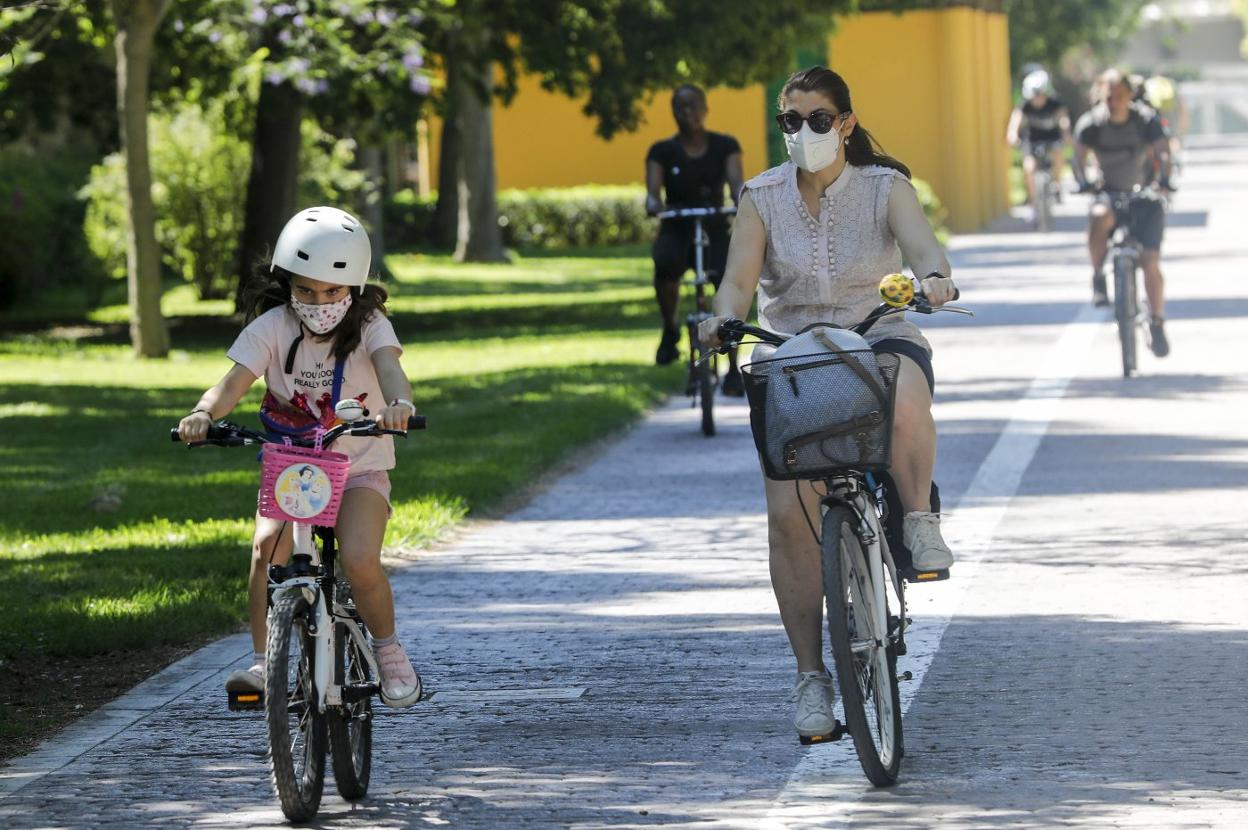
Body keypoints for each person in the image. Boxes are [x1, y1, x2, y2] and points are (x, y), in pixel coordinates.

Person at [697, 67, 959, 740]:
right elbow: (737, 282)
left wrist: (932, 280)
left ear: (845, 123)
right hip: (793, 355)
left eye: (819, 119)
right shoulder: (760, 197)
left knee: (903, 389)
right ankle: (812, 680)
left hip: (877, 336)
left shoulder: (884, 187)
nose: (805, 132)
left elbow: (924, 247)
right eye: (791, 121)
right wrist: (719, 318)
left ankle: (919, 519)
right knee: (788, 515)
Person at [177, 206, 423, 709]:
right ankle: (263, 662)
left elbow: (391, 371)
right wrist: (203, 413)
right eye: (306, 290)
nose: (319, 302)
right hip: (295, 466)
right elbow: (229, 387)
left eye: (333, 291)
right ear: (287, 282)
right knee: (267, 548)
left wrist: (399, 405)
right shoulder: (272, 327)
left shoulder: (372, 325)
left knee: (358, 559)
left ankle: (388, 649)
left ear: (353, 287)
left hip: (359, 466)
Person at [645, 84, 746, 394]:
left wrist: (741, 199)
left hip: (714, 226)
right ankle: (670, 328)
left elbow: (737, 183)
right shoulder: (661, 150)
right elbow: (653, 191)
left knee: (731, 284)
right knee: (664, 264)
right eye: (680, 107)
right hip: (678, 226)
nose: (687, 113)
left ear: (705, 109)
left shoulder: (725, 145)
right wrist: (652, 202)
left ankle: (732, 367)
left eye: (693, 106)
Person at [1073, 69, 1173, 356]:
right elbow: (1078, 158)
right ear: (1100, 96)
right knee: (1098, 215)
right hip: (1110, 193)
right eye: (1108, 97)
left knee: (1150, 262)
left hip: (1144, 195)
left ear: (1130, 95)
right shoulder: (1092, 124)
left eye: (1119, 96)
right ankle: (1097, 276)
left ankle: (1156, 321)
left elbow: (1164, 152)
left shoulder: (1146, 120)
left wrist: (1163, 181)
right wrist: (1084, 183)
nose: (1114, 102)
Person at [1005, 69, 1072, 218]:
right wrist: (1012, 134)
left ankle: (1056, 184)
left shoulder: (1054, 103)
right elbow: (1015, 120)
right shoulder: (1025, 105)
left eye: (1039, 96)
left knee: (1058, 153)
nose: (1036, 100)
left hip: (1051, 136)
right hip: (1032, 139)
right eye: (1033, 97)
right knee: (1028, 167)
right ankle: (1034, 200)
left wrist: (1066, 133)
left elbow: (1063, 119)